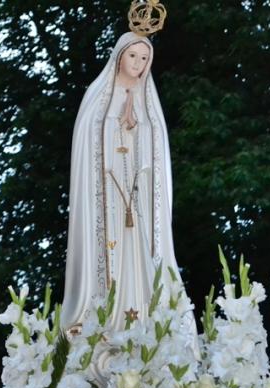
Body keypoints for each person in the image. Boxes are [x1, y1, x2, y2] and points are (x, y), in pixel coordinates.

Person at [61, 30, 195, 334]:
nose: (137, 63)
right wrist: (116, 127)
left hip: (139, 191)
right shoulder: (99, 93)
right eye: (132, 56)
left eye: (144, 58)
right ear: (119, 56)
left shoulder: (148, 98)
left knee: (142, 246)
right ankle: (106, 317)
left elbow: (157, 146)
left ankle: (147, 318)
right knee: (111, 249)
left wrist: (137, 129)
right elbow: (88, 137)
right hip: (107, 191)